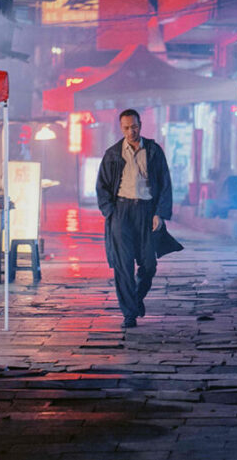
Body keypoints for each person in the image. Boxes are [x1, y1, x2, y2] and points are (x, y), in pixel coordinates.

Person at [96, 108, 182, 329]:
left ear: (140, 125)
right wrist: (111, 213)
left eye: (134, 126)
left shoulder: (153, 150)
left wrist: (159, 214)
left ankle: (135, 299)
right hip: (121, 212)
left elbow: (165, 183)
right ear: (121, 128)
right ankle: (129, 314)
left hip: (146, 211)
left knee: (149, 264)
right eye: (126, 128)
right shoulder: (113, 154)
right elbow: (102, 187)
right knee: (123, 265)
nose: (131, 131)